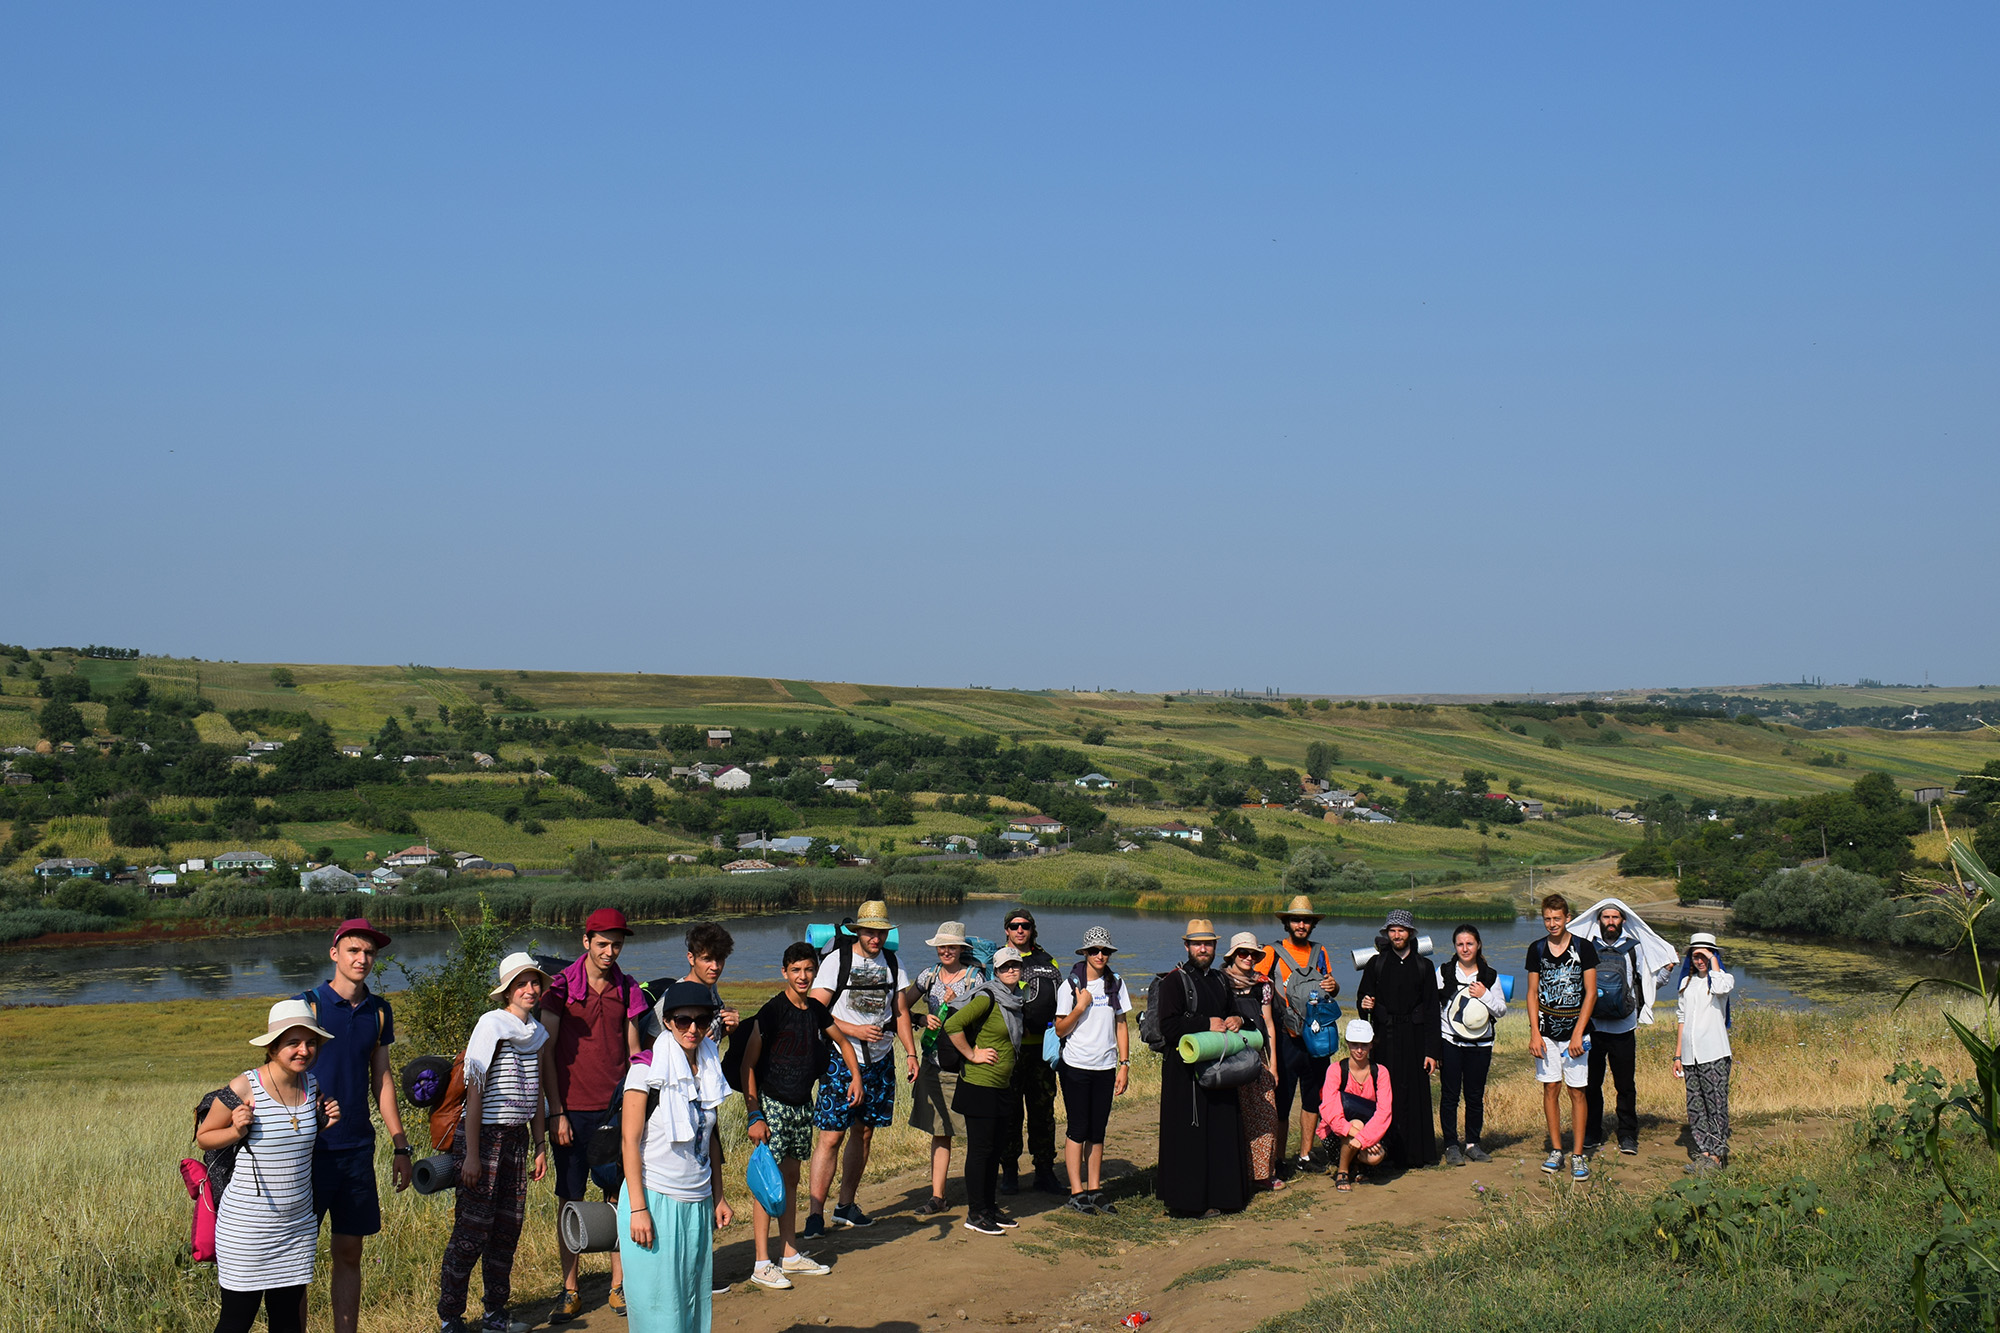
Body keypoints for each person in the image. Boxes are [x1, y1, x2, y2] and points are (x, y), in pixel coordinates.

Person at [197, 999, 341, 1333]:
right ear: (273, 1047)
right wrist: (235, 1130)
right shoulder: (244, 1086)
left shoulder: (312, 1085)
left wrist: (323, 1123)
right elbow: (204, 1137)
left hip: (297, 1227)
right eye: (293, 1043)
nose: (303, 1050)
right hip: (247, 1230)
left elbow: (292, 1140)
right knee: (236, 1320)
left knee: (288, 1319)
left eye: (310, 1043)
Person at [299, 918, 411, 1333]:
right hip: (306, 1152)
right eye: (353, 951)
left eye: (369, 953)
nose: (362, 959)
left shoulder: (379, 1012)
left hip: (357, 1151)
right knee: (299, 1257)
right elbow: (277, 1074)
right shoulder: (307, 1005)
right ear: (334, 953)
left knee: (349, 1251)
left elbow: (381, 1079)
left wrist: (400, 1145)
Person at [540, 909, 647, 1321]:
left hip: (614, 1109)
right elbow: (547, 1051)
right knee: (571, 1199)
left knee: (617, 1196)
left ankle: (619, 1285)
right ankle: (570, 1290)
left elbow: (635, 1051)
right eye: (602, 943)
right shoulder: (562, 986)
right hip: (572, 1110)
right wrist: (557, 1111)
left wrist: (636, 1105)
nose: (610, 950)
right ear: (586, 942)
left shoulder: (628, 985)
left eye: (616, 943)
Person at [438, 952, 551, 1333]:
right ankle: (451, 1317)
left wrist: (540, 1145)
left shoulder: (536, 1032)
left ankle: (495, 1314)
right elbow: (474, 1090)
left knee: (507, 1230)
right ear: (508, 991)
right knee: (471, 1232)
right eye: (522, 983)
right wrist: (470, 1155)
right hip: (484, 1137)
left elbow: (535, 1093)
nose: (531, 989)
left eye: (535, 982)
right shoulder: (492, 1024)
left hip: (518, 1140)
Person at [741, 942, 860, 1290]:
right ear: (785, 972)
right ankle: (762, 1262)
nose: (803, 976)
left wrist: (856, 1076)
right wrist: (754, 1114)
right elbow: (748, 1064)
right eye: (796, 970)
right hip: (772, 1104)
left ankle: (789, 1254)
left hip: (800, 1105)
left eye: (809, 970)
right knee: (768, 1183)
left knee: (791, 1178)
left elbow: (844, 1042)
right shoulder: (771, 1012)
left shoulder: (816, 1012)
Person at [620, 981, 734, 1332]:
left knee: (692, 1301)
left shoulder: (710, 1065)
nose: (693, 1029)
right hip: (655, 1199)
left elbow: (708, 1137)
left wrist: (718, 1195)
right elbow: (629, 1140)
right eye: (683, 1020)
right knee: (658, 1308)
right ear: (668, 1021)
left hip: (697, 1200)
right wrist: (638, 1209)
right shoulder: (646, 1070)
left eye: (702, 1020)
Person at [805, 900, 917, 1237]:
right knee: (831, 1135)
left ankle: (846, 1206)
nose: (875, 938)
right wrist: (851, 1031)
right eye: (870, 932)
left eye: (880, 932)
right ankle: (814, 1214)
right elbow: (815, 1009)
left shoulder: (893, 963)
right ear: (858, 931)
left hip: (881, 1059)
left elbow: (900, 1013)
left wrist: (910, 1053)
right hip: (841, 1058)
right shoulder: (836, 961)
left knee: (864, 1132)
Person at [1155, 919, 1249, 1219]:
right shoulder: (1174, 981)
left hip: (1219, 1068)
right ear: (1187, 946)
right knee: (1190, 1135)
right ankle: (1188, 1202)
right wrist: (1204, 1024)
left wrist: (1237, 1020)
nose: (1203, 948)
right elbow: (1168, 1027)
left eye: (1208, 943)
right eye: (1197, 943)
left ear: (1215, 947)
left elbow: (1230, 1012)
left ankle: (1224, 1196)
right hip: (1184, 1074)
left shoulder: (1221, 980)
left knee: (1220, 1131)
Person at [1571, 897, 1679, 1157]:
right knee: (1591, 1084)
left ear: (1623, 920)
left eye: (1615, 917)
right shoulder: (1586, 948)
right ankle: (1592, 1133)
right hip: (1593, 1027)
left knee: (1625, 1085)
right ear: (1599, 921)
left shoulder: (1635, 948)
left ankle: (1628, 1135)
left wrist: (1666, 970)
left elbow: (1648, 983)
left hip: (1624, 1028)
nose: (1610, 922)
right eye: (1606, 917)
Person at [943, 946, 1029, 1235]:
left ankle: (989, 1208)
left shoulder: (1015, 999)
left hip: (1002, 1085)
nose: (1011, 971)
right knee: (980, 1151)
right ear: (996, 970)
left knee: (995, 1150)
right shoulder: (987, 996)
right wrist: (972, 1055)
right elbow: (953, 1024)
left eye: (1015, 965)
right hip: (978, 1085)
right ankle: (975, 1213)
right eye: (1005, 967)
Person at [1052, 925, 1133, 1214]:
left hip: (1106, 1066)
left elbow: (1121, 1024)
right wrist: (1080, 1007)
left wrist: (1124, 1064)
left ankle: (1095, 1189)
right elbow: (1060, 1030)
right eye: (1094, 951)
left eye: (1105, 951)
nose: (1100, 955)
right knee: (1077, 1128)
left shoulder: (1117, 984)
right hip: (1075, 1065)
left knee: (1097, 1130)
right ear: (1085, 953)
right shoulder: (1070, 986)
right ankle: (1076, 1192)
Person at [907, 921, 985, 1217]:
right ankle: (938, 1196)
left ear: (962, 949)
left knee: (977, 1132)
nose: (946, 951)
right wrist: (919, 1020)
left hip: (968, 1065)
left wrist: (959, 1005)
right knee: (940, 1132)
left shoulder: (976, 980)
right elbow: (901, 1005)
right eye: (942, 946)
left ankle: (982, 1194)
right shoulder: (929, 975)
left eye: (952, 946)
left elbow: (984, 1015)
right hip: (935, 1064)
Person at [1258, 895, 1340, 1178]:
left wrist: (1334, 985)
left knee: (1312, 1099)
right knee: (1281, 1102)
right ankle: (1278, 1159)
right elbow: (1257, 988)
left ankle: (1305, 1155)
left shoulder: (1321, 953)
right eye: (1296, 919)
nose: (1301, 924)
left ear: (1312, 924)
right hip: (1285, 1038)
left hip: (1317, 1040)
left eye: (1306, 920)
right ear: (1287, 923)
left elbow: (1329, 991)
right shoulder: (1270, 953)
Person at [1354, 910, 1439, 1170]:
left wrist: (1432, 1052)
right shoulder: (1375, 964)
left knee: (1415, 1094)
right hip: (1384, 1039)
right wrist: (1365, 1004)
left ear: (1411, 933)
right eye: (1392, 930)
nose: (1397, 934)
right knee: (1385, 1096)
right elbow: (1362, 1001)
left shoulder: (1424, 967)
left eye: (1401, 930)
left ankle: (1417, 1154)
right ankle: (1385, 1153)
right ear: (1386, 933)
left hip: (1414, 1039)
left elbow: (1433, 1011)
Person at [1525, 894, 1598, 1182]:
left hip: (1577, 1033)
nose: (1552, 924)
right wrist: (1534, 1032)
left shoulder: (1584, 948)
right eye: (1547, 918)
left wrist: (1579, 1033)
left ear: (1567, 917)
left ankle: (1578, 1154)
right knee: (1550, 1088)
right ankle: (1556, 1149)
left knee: (1577, 1091)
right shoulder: (1537, 949)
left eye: (1557, 918)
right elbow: (1532, 992)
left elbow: (1590, 993)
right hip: (1546, 1032)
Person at [998, 908, 1063, 1195]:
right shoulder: (998, 961)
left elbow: (1062, 999)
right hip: (1009, 1052)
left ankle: (1045, 1171)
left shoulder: (1048, 961)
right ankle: (1009, 1171)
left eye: (1025, 926)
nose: (1020, 930)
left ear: (1032, 929)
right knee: (1009, 1112)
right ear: (1007, 931)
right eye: (1014, 926)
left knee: (1043, 1111)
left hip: (1042, 1051)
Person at [1436, 924, 1506, 1166]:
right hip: (1450, 1043)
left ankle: (1473, 1144)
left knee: (1475, 1096)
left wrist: (1484, 994)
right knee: (1450, 1096)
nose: (1465, 948)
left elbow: (1501, 1010)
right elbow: (1434, 1009)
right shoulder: (1444, 972)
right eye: (1460, 944)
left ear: (1478, 945)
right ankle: (1451, 1145)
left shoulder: (1490, 975)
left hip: (1481, 1045)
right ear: (1455, 946)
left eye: (1470, 944)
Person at [1223, 931, 1284, 1193]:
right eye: (1242, 953)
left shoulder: (1263, 984)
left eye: (1252, 954)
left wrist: (1273, 1065)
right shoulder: (1220, 981)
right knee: (1235, 1114)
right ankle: (1236, 1173)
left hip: (1257, 1055)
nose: (1248, 958)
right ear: (1233, 956)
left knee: (1265, 1115)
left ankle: (1262, 1174)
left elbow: (1269, 1024)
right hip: (1226, 1054)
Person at [1674, 932, 1735, 1173]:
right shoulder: (1686, 983)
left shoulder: (1722, 979)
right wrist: (1678, 1055)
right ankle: (1704, 1154)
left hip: (1714, 1053)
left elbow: (1720, 988)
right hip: (1691, 1055)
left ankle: (1717, 1157)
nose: (1699, 960)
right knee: (1696, 1106)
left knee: (1716, 1104)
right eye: (1695, 955)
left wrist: (1713, 961)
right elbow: (1681, 1018)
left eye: (1704, 955)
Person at [1316, 1020, 1392, 1192]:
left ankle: (1357, 1165)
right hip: (1337, 1133)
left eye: (1364, 1045)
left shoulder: (1381, 1072)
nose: (1359, 1050)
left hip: (1368, 1132)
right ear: (1347, 1043)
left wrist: (1364, 1137)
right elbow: (1330, 1111)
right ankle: (1343, 1170)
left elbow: (1384, 1112)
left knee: (1375, 1157)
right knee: (1356, 1123)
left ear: (1371, 1045)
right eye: (1355, 1044)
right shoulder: (1336, 1070)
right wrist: (1360, 1135)